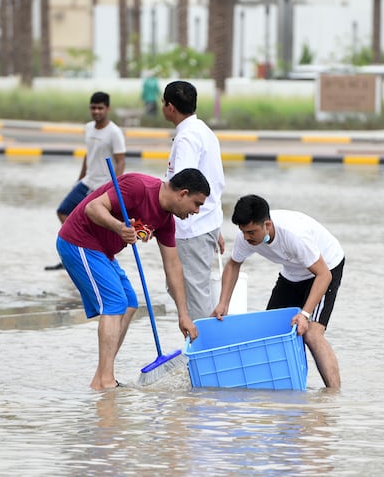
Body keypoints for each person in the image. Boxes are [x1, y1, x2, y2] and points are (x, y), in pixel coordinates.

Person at [56, 168, 209, 390]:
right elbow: (93, 207)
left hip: (102, 252)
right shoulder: (139, 187)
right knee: (115, 303)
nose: (196, 211)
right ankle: (107, 381)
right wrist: (119, 227)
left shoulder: (166, 221)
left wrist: (183, 315)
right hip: (78, 241)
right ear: (183, 194)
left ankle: (100, 378)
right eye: (197, 204)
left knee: (129, 303)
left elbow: (173, 265)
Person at [213, 194, 345, 389]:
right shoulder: (246, 238)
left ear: (267, 224)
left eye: (251, 232)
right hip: (293, 272)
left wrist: (304, 314)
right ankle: (280, 388)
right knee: (271, 333)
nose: (247, 238)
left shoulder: (294, 235)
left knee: (311, 334)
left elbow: (324, 275)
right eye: (243, 232)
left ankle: (333, 396)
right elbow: (233, 265)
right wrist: (223, 303)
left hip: (327, 267)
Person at [162, 80, 226, 322]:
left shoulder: (188, 138)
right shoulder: (204, 131)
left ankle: (205, 352)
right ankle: (202, 348)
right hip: (205, 223)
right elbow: (215, 182)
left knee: (193, 294)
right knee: (181, 288)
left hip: (191, 227)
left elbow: (184, 187)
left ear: (169, 107)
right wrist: (215, 227)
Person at [45, 91, 126, 271]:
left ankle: (92, 255)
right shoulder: (89, 128)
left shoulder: (114, 132)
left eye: (100, 108)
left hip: (103, 186)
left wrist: (115, 187)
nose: (96, 111)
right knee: (63, 211)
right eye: (93, 108)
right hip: (87, 181)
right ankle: (74, 248)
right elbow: (89, 154)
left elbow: (121, 160)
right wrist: (79, 179)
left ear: (107, 109)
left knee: (93, 220)